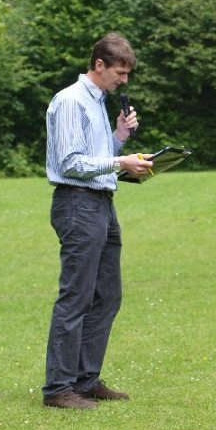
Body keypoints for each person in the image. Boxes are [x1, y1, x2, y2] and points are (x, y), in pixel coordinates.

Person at [43, 33, 155, 409]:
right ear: (100, 65)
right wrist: (121, 162)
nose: (124, 80)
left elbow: (95, 156)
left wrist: (119, 139)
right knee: (76, 296)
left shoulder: (97, 102)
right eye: (120, 73)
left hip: (102, 204)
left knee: (107, 295)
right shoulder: (71, 101)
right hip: (77, 205)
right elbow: (71, 163)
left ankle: (86, 381)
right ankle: (58, 389)